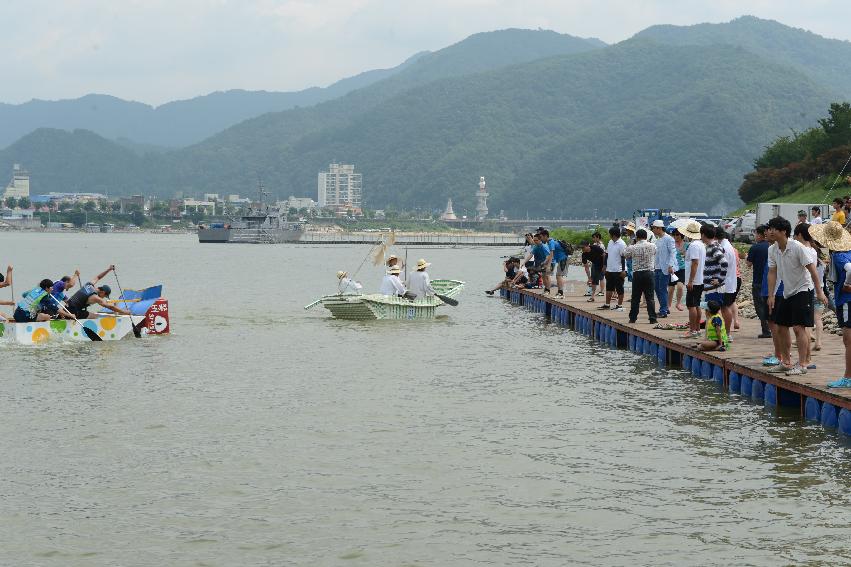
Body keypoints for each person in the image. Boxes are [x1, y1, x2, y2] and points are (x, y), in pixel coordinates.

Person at [766, 216, 827, 376]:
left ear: (783, 231)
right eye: (769, 228)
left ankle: (802, 364)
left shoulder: (797, 247)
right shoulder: (772, 249)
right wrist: (771, 294)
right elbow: (772, 272)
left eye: (774, 229)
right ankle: (786, 362)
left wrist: (819, 292)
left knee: (799, 327)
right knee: (780, 326)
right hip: (788, 291)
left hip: (803, 289)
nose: (770, 231)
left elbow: (812, 269)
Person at [809, 221, 851, 387]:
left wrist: (848, 284)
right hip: (846, 301)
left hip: (847, 301)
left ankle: (848, 377)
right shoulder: (847, 251)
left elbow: (850, 269)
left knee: (848, 340)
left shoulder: (839, 256)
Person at [793, 223, 824, 356]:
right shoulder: (813, 250)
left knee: (802, 325)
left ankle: (806, 358)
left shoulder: (804, 250)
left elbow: (811, 272)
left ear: (799, 235)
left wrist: (819, 291)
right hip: (812, 289)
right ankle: (814, 346)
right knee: (813, 320)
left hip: (806, 290)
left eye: (795, 235)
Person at [66, 265, 132, 319]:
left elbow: (98, 277)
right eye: (105, 296)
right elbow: (110, 307)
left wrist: (108, 269)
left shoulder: (89, 285)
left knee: (88, 313)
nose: (104, 298)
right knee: (95, 317)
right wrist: (124, 311)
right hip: (73, 312)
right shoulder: (95, 297)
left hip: (66, 307)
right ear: (103, 292)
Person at [623, 229, 657, 324]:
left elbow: (625, 254)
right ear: (646, 237)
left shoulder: (633, 247)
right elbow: (655, 253)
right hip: (649, 273)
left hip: (637, 273)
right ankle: (652, 318)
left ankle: (633, 318)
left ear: (636, 237)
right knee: (650, 297)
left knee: (635, 297)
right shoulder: (652, 246)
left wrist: (632, 244)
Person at [680, 221, 706, 338]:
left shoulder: (694, 245)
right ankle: (697, 329)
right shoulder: (700, 244)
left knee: (691, 305)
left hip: (694, 280)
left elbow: (695, 263)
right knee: (697, 304)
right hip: (699, 279)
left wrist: (690, 280)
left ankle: (693, 330)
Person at [746, 225, 771, 338]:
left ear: (760, 235)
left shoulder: (755, 248)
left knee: (760, 306)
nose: (755, 236)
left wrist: (747, 257)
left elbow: (749, 264)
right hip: (771, 281)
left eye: (756, 234)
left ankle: (765, 330)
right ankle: (773, 328)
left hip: (758, 281)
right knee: (770, 305)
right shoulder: (772, 246)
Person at [650, 220, 676, 318]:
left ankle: (663, 310)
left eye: (654, 228)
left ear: (659, 228)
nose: (653, 230)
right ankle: (664, 307)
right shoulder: (657, 240)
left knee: (662, 289)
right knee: (657, 288)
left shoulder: (669, 239)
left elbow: (673, 252)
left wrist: (670, 265)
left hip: (665, 267)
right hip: (656, 267)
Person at [717, 228, 738, 341]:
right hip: (730, 281)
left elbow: (723, 265)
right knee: (726, 307)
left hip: (726, 282)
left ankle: (727, 333)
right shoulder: (728, 245)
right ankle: (726, 332)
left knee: (725, 308)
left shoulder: (724, 248)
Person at [600, 226, 626, 311]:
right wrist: (604, 266)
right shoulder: (610, 242)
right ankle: (607, 304)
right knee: (609, 287)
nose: (609, 235)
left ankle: (619, 305)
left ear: (613, 235)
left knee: (619, 288)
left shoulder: (622, 244)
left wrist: (623, 270)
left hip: (618, 270)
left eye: (610, 234)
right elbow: (607, 254)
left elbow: (623, 257)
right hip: (609, 269)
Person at [702, 225, 728, 304]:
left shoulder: (713, 248)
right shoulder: (716, 246)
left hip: (713, 288)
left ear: (703, 235)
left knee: (712, 312)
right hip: (713, 287)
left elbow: (724, 262)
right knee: (714, 312)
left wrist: (720, 279)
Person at [539, 229, 568, 297]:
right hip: (561, 259)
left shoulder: (551, 242)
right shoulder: (550, 242)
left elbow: (551, 254)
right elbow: (550, 255)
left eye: (541, 237)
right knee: (555, 275)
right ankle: (551, 291)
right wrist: (545, 262)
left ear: (545, 236)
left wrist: (548, 266)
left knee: (559, 275)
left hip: (563, 259)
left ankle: (560, 293)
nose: (541, 239)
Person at [667, 228, 687, 312]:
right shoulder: (671, 244)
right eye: (674, 235)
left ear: (681, 235)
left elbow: (689, 256)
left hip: (682, 268)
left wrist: (684, 253)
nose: (675, 236)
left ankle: (678, 303)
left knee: (680, 286)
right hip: (673, 269)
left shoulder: (686, 245)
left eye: (677, 235)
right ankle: (668, 305)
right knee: (671, 289)